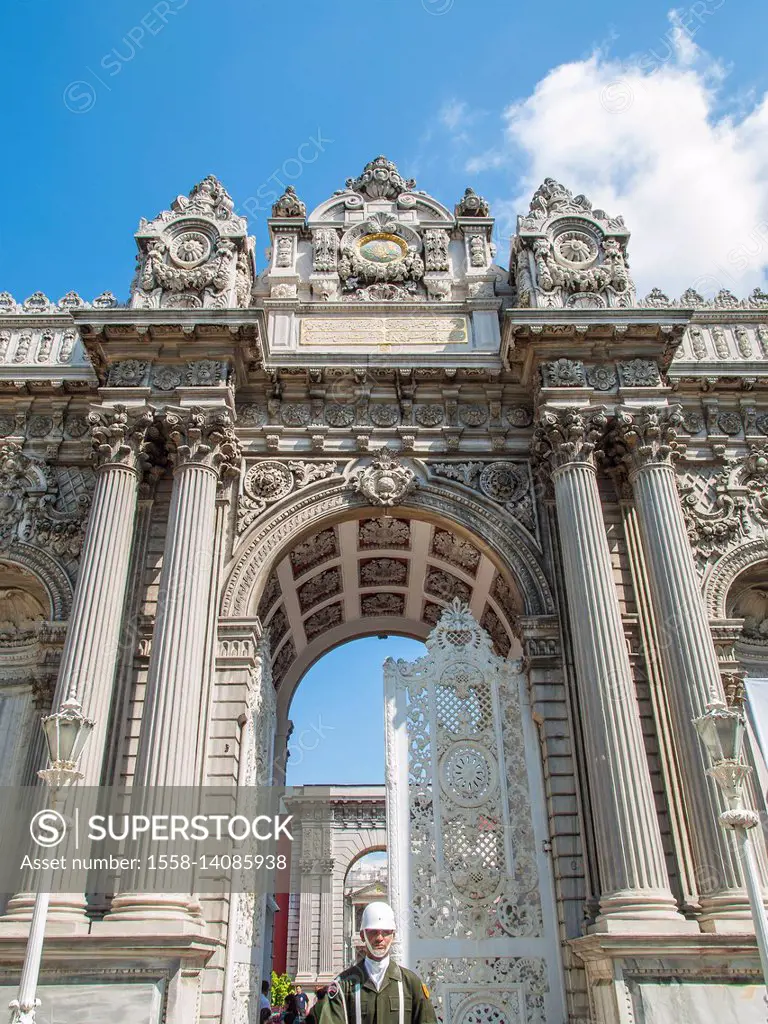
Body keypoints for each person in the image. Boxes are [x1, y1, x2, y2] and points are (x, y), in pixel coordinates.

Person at [313, 901, 437, 1024]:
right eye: (373, 931)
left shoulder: (410, 983)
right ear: (362, 935)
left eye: (386, 932)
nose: (379, 938)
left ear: (393, 935)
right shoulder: (343, 985)